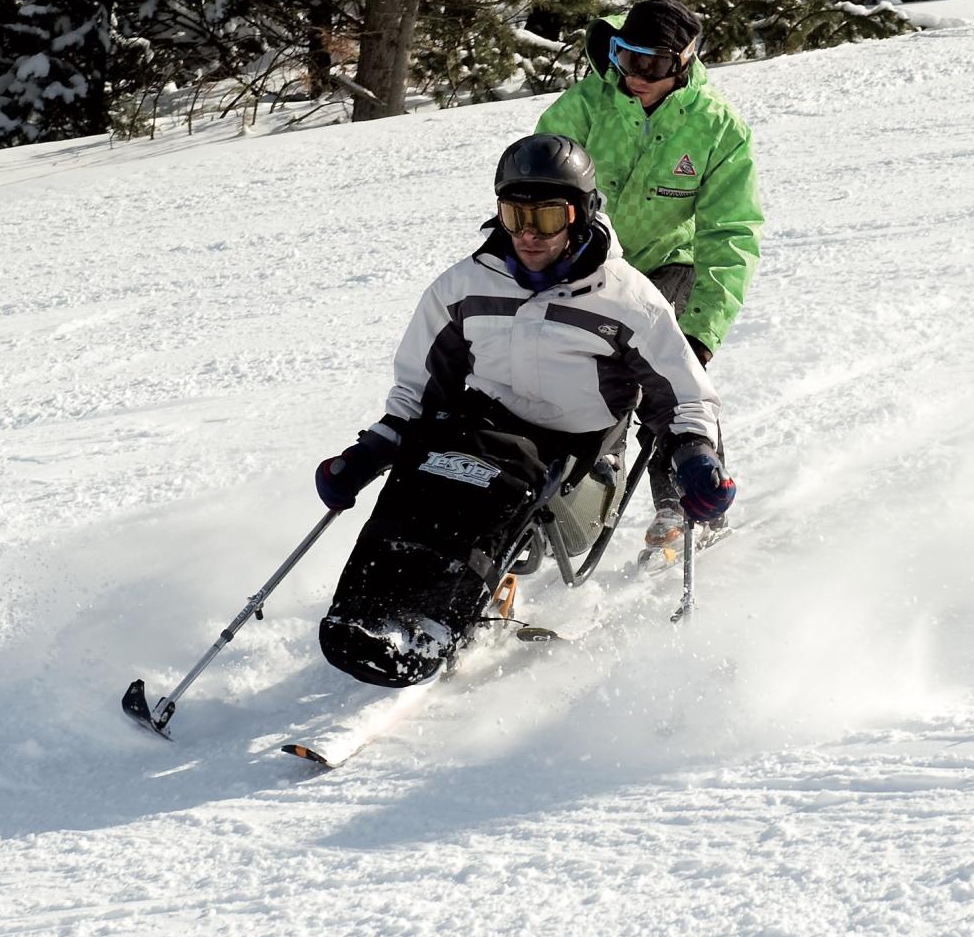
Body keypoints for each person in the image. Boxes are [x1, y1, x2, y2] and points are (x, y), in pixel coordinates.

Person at [312, 133, 735, 688]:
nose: (528, 234)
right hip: (486, 422)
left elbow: (683, 392)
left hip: (575, 451)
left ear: (581, 214)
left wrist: (696, 452)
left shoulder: (626, 299)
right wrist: (376, 447)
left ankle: (435, 622)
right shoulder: (465, 286)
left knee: (490, 478)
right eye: (515, 215)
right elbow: (420, 382)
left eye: (547, 217)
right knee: (424, 465)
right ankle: (365, 609)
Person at [535, 0, 762, 553]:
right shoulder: (586, 105)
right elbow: (537, 179)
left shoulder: (716, 127)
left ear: (683, 62)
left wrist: (702, 330)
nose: (634, 75)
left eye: (652, 64)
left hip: (667, 262)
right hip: (586, 262)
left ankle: (684, 498)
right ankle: (572, 496)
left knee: (666, 366)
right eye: (625, 57)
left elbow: (730, 232)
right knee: (567, 367)